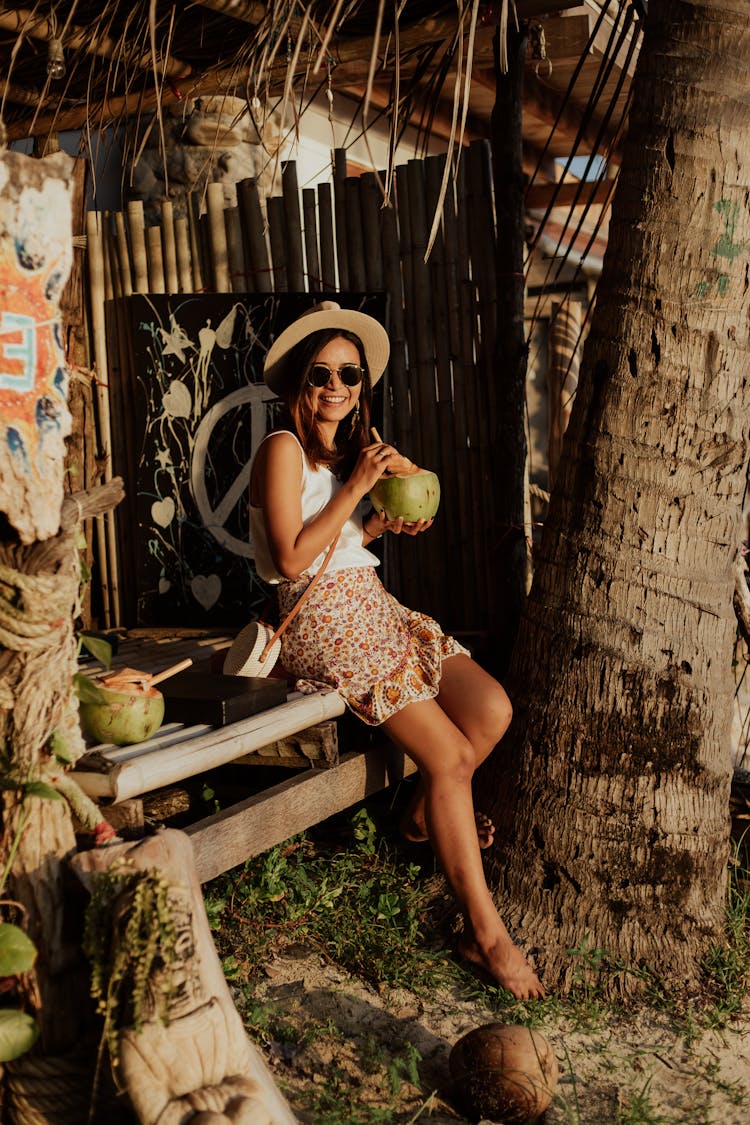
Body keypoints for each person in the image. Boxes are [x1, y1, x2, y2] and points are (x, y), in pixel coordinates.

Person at [248, 301, 543, 1000]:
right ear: (299, 380)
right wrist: (354, 489)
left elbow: (336, 546)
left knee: (491, 710)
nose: (336, 385)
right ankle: (486, 933)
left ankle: (418, 815)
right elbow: (291, 560)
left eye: (348, 373)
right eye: (321, 372)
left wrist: (375, 524)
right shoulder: (281, 448)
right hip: (323, 621)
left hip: (372, 606)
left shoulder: (346, 451)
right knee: (450, 757)